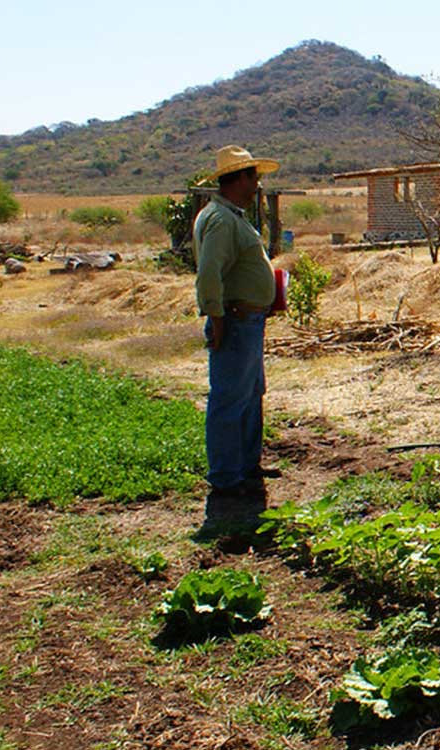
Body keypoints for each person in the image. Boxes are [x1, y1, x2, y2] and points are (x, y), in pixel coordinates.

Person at [194, 145, 280, 530]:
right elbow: (210, 271)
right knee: (230, 398)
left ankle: (246, 468)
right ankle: (227, 479)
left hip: (250, 320)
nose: (257, 183)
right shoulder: (220, 220)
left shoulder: (231, 216)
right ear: (240, 178)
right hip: (236, 320)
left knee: (249, 394)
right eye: (253, 176)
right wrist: (216, 315)